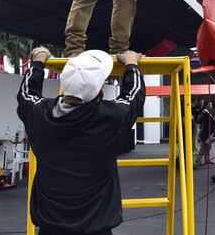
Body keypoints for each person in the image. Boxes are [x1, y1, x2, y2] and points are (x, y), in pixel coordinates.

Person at [17, 47, 145, 235]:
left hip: (50, 226)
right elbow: (134, 96)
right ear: (100, 91)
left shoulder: (38, 115)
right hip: (96, 227)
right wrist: (132, 64)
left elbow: (26, 93)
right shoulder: (111, 118)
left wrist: (38, 61)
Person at [195, 102, 215, 167]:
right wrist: (200, 115)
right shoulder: (204, 112)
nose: (211, 105)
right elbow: (198, 120)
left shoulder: (211, 113)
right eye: (209, 104)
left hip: (210, 132)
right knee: (203, 146)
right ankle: (198, 160)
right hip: (205, 132)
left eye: (211, 104)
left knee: (208, 147)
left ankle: (206, 159)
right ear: (206, 106)